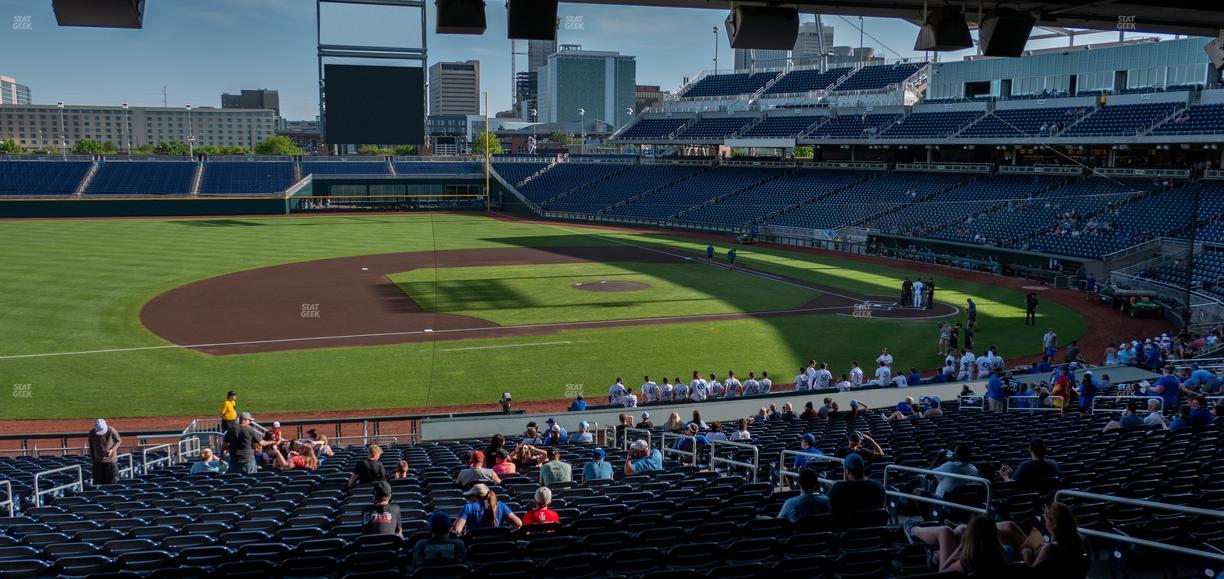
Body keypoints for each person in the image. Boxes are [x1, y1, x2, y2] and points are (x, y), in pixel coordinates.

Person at [910, 514, 1010, 575]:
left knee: (945, 532)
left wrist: (960, 548)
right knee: (961, 529)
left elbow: (942, 574)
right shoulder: (1009, 553)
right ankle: (936, 555)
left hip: (966, 560)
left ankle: (913, 529)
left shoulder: (967, 563)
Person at [453, 483, 521, 535]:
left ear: (475, 496)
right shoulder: (501, 505)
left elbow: (457, 530)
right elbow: (518, 523)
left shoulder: (468, 507)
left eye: (470, 496)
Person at [88, 419, 122, 486]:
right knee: (99, 484)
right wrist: (93, 460)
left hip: (111, 462)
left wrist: (112, 449)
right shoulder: (92, 433)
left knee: (112, 483)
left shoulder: (111, 430)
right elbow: (91, 447)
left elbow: (118, 441)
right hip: (98, 462)